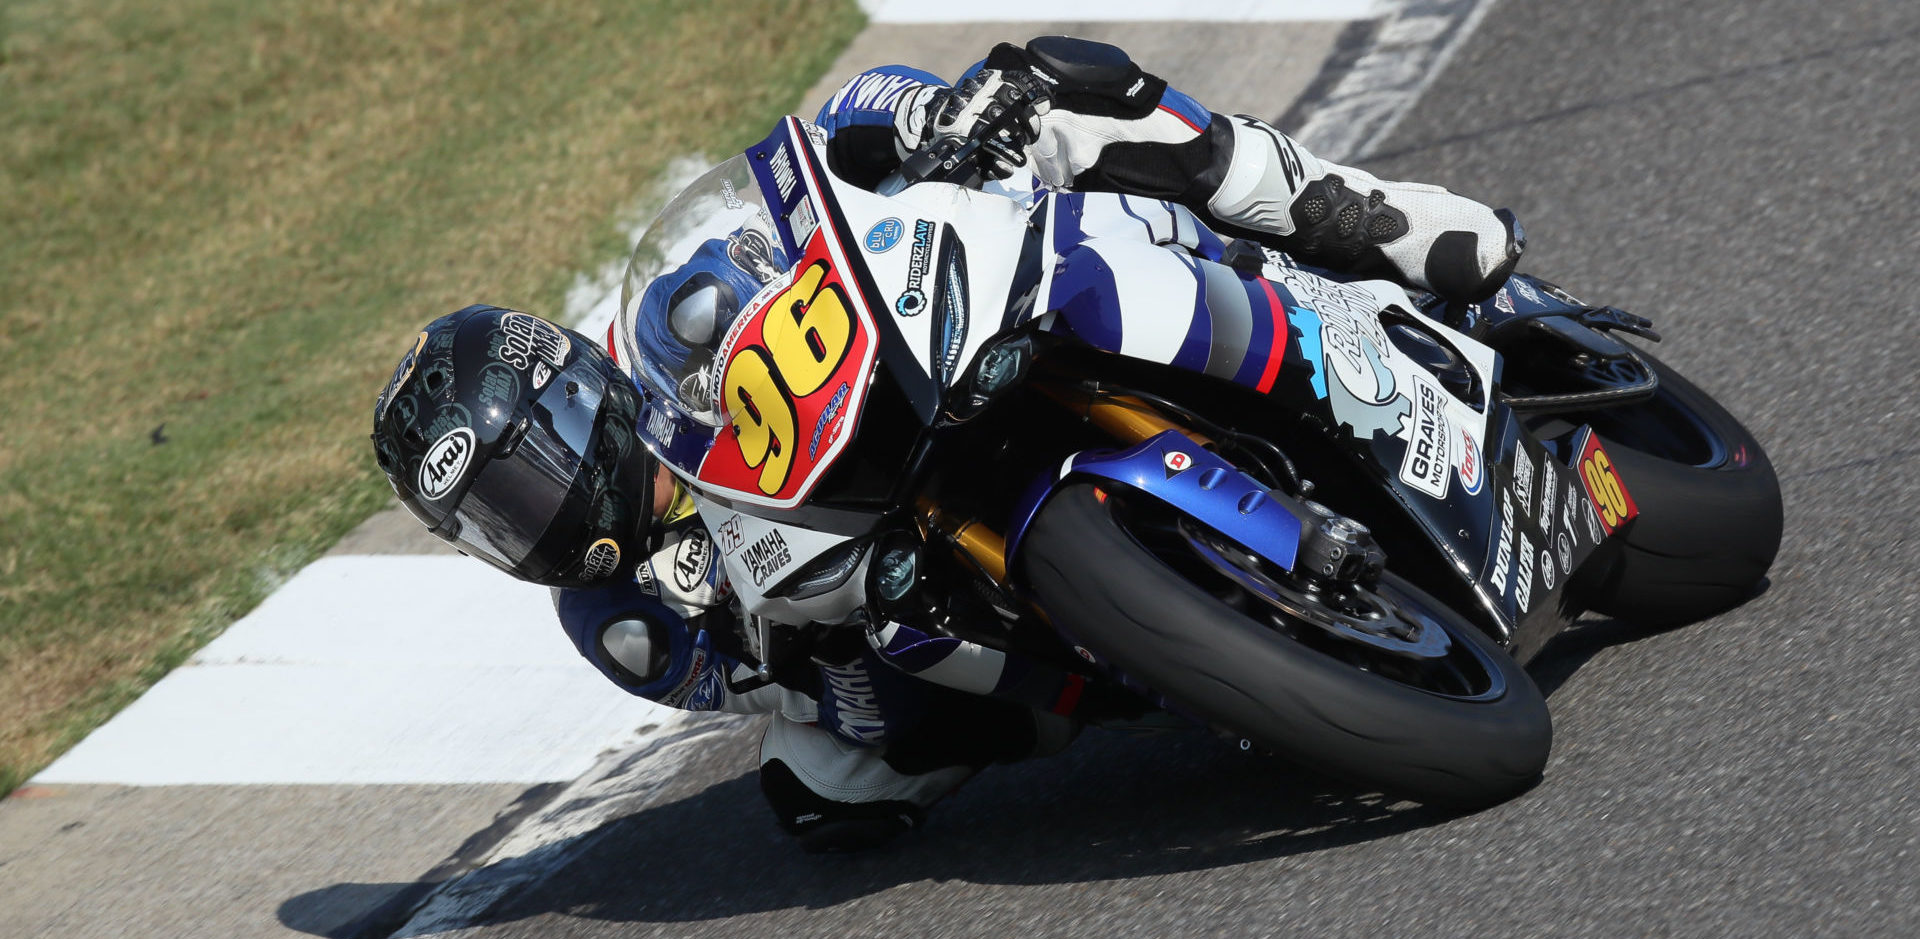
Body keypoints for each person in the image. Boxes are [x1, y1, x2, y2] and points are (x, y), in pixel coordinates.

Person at [371, 37, 1522, 852]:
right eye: (488, 523)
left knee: (1074, 97)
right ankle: (1145, 664)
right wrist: (795, 645)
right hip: (890, 572)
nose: (530, 519)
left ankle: (1373, 216)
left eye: (519, 476)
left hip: (936, 362)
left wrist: (923, 121)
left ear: (575, 391)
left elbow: (817, 158)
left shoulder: (676, 316)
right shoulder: (614, 620)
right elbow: (774, 689)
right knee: (823, 792)